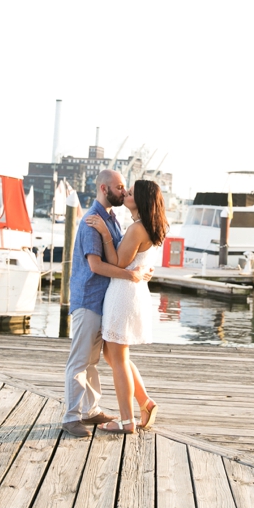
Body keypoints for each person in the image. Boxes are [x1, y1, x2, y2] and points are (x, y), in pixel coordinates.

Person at [62, 170, 153, 438]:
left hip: (103, 301)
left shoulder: (112, 219)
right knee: (79, 361)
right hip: (89, 298)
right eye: (120, 187)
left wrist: (141, 268)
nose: (124, 192)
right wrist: (131, 275)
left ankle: (91, 411)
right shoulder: (93, 220)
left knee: (92, 361)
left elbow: (123, 255)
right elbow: (96, 264)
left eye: (126, 188)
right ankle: (71, 417)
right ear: (104, 188)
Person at [85, 179, 167, 434]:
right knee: (114, 356)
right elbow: (135, 262)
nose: (126, 194)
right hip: (133, 292)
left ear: (140, 200)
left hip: (123, 294)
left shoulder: (136, 229)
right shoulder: (151, 226)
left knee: (118, 359)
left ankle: (126, 421)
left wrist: (106, 234)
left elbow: (119, 263)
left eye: (130, 192)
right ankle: (145, 402)